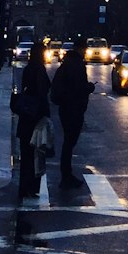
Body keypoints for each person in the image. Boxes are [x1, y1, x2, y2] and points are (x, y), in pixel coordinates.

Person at [50, 35, 94, 189]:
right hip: (72, 107)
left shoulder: (68, 63)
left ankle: (66, 174)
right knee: (69, 142)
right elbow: (78, 87)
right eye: (85, 49)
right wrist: (89, 88)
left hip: (67, 107)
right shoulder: (77, 65)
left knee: (68, 142)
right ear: (81, 49)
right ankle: (66, 176)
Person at [16, 40, 51, 200]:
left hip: (26, 115)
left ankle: (24, 186)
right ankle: (31, 186)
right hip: (35, 116)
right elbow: (42, 92)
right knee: (35, 153)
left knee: (26, 153)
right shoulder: (39, 70)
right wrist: (45, 113)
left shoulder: (28, 69)